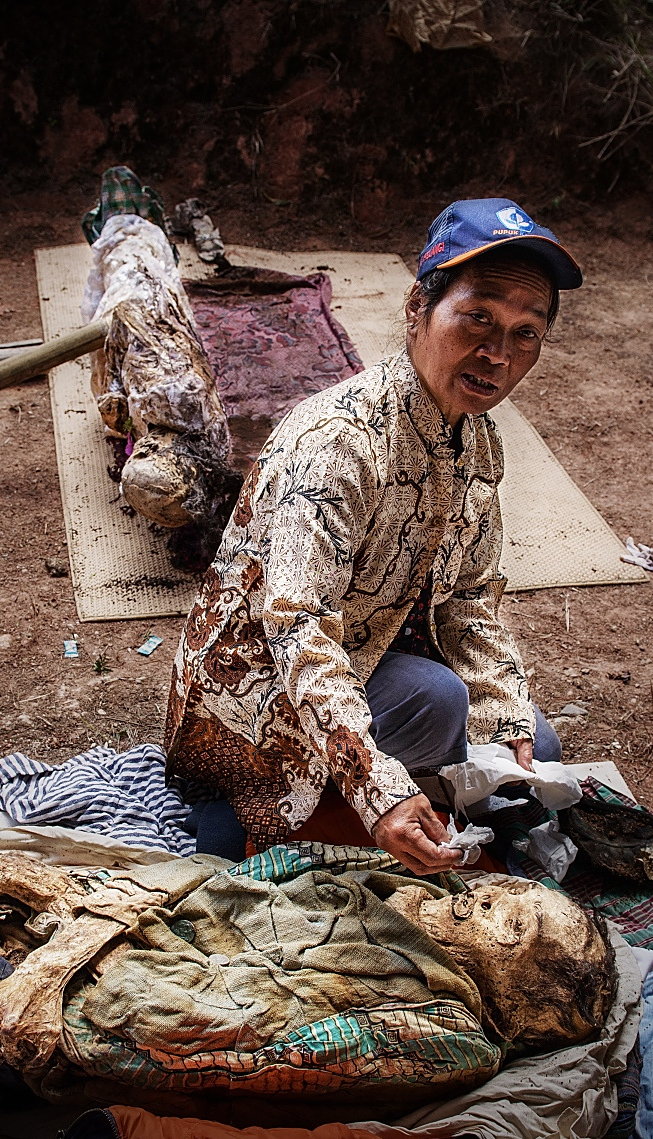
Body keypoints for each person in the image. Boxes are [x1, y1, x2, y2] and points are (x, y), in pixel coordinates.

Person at [165, 198, 583, 874]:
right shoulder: (340, 443)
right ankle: (244, 803)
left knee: (535, 744)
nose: (496, 353)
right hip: (256, 697)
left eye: (524, 332)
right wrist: (377, 787)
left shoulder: (474, 439)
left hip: (377, 654)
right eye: (476, 316)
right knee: (437, 702)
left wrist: (503, 712)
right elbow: (296, 628)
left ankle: (389, 791)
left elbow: (469, 595)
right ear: (417, 308)